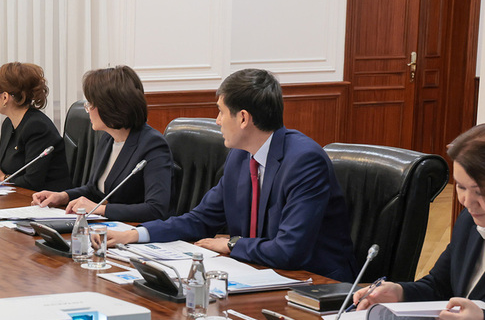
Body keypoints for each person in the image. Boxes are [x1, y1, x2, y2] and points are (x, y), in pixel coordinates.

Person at [107, 68, 356, 281]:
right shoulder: (240, 156)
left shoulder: (304, 161)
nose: (217, 121)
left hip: (315, 283)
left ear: (243, 118)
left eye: (221, 111)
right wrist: (135, 234)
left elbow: (289, 250)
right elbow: (201, 220)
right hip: (259, 272)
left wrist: (231, 244)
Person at [356, 123, 485, 320]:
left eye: (481, 192)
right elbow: (439, 286)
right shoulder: (469, 221)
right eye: (461, 187)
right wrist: (400, 293)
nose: (467, 202)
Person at [32, 66, 172, 222]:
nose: (87, 109)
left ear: (110, 107)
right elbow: (95, 190)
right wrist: (62, 196)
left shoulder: (152, 144)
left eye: (91, 104)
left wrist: (101, 209)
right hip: (109, 226)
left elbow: (156, 209)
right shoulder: (107, 138)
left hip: (133, 230)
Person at [0, 62, 70, 191]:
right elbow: (7, 170)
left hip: (46, 198)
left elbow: (32, 181)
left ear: (5, 97)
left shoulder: (37, 127)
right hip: (19, 195)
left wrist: (3, 177)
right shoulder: (8, 124)